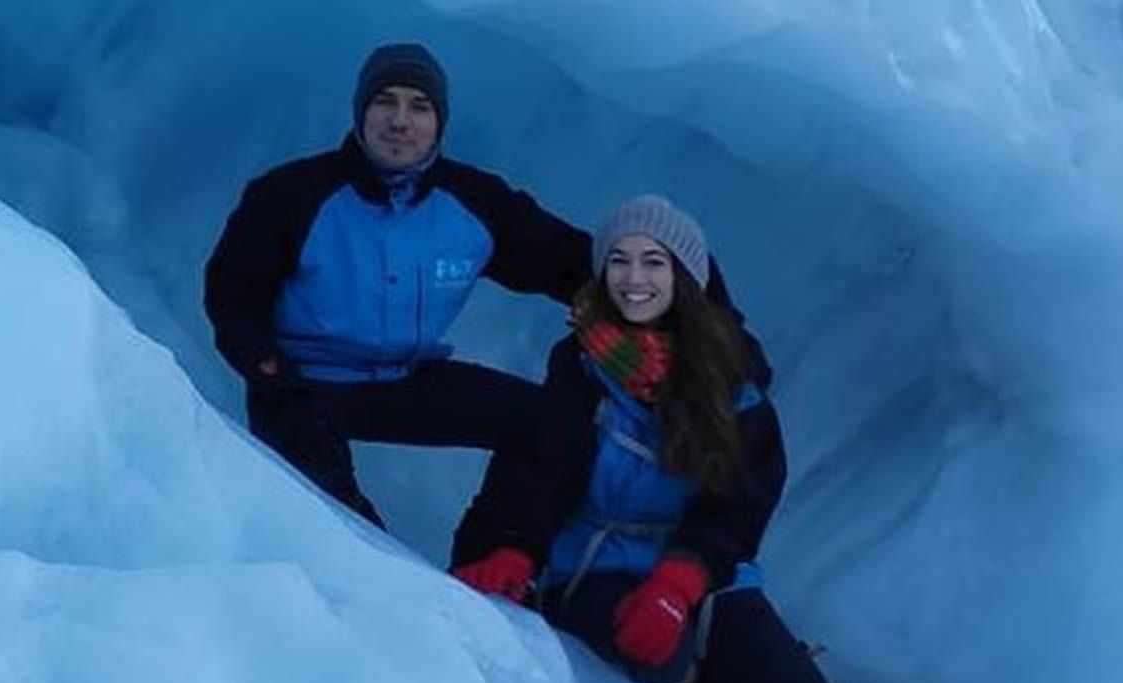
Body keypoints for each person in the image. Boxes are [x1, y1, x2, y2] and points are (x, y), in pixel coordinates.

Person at [204, 43, 768, 530]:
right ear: (360, 113)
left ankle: (498, 556)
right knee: (342, 524)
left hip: (409, 381)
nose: (401, 120)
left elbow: (577, 262)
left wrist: (711, 320)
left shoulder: (471, 203)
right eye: (386, 102)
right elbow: (232, 297)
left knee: (546, 424)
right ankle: (394, 608)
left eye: (419, 106)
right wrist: (268, 369)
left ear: (439, 122)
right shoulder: (291, 196)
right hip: (305, 386)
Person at [451, 196, 846, 683]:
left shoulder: (730, 376)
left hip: (701, 575)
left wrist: (678, 584)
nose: (634, 277)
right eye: (619, 259)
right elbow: (540, 471)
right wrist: (515, 551)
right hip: (590, 568)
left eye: (653, 261)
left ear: (685, 275)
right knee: (655, 659)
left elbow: (739, 505)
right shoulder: (580, 366)